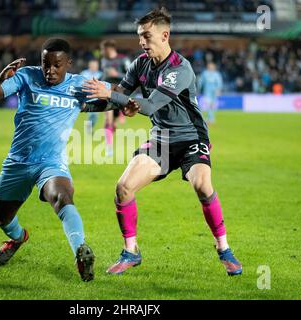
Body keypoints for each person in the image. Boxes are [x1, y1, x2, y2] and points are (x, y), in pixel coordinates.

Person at [83, 8, 242, 276]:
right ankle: (131, 251)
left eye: (147, 36)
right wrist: (79, 107)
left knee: (203, 185)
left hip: (191, 137)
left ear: (165, 35)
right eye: (139, 37)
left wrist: (118, 97)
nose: (142, 42)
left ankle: (224, 248)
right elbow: (119, 96)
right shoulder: (139, 64)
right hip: (161, 138)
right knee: (123, 187)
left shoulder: (180, 68)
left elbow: (149, 105)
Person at [0, 38, 128, 282]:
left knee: (62, 197)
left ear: (68, 63)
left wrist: (117, 98)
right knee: (0, 218)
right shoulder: (26, 76)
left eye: (57, 65)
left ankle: (81, 252)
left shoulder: (80, 84)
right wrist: (0, 77)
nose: (50, 70)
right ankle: (18, 237)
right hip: (17, 162)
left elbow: (120, 93)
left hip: (51, 163)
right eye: (46, 64)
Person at [100, 39, 131, 156]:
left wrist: (117, 74)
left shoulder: (123, 59)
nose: (102, 52)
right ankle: (109, 148)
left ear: (110, 49)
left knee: (113, 123)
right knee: (107, 120)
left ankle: (120, 116)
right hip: (107, 93)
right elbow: (104, 74)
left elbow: (131, 77)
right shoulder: (103, 60)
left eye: (103, 49)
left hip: (120, 94)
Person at [80, 59, 103, 134]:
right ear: (89, 65)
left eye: (96, 66)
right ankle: (88, 129)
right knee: (92, 113)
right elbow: (79, 83)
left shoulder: (100, 74)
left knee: (95, 115)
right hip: (86, 95)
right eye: (93, 65)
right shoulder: (84, 73)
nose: (94, 67)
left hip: (96, 96)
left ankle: (89, 127)